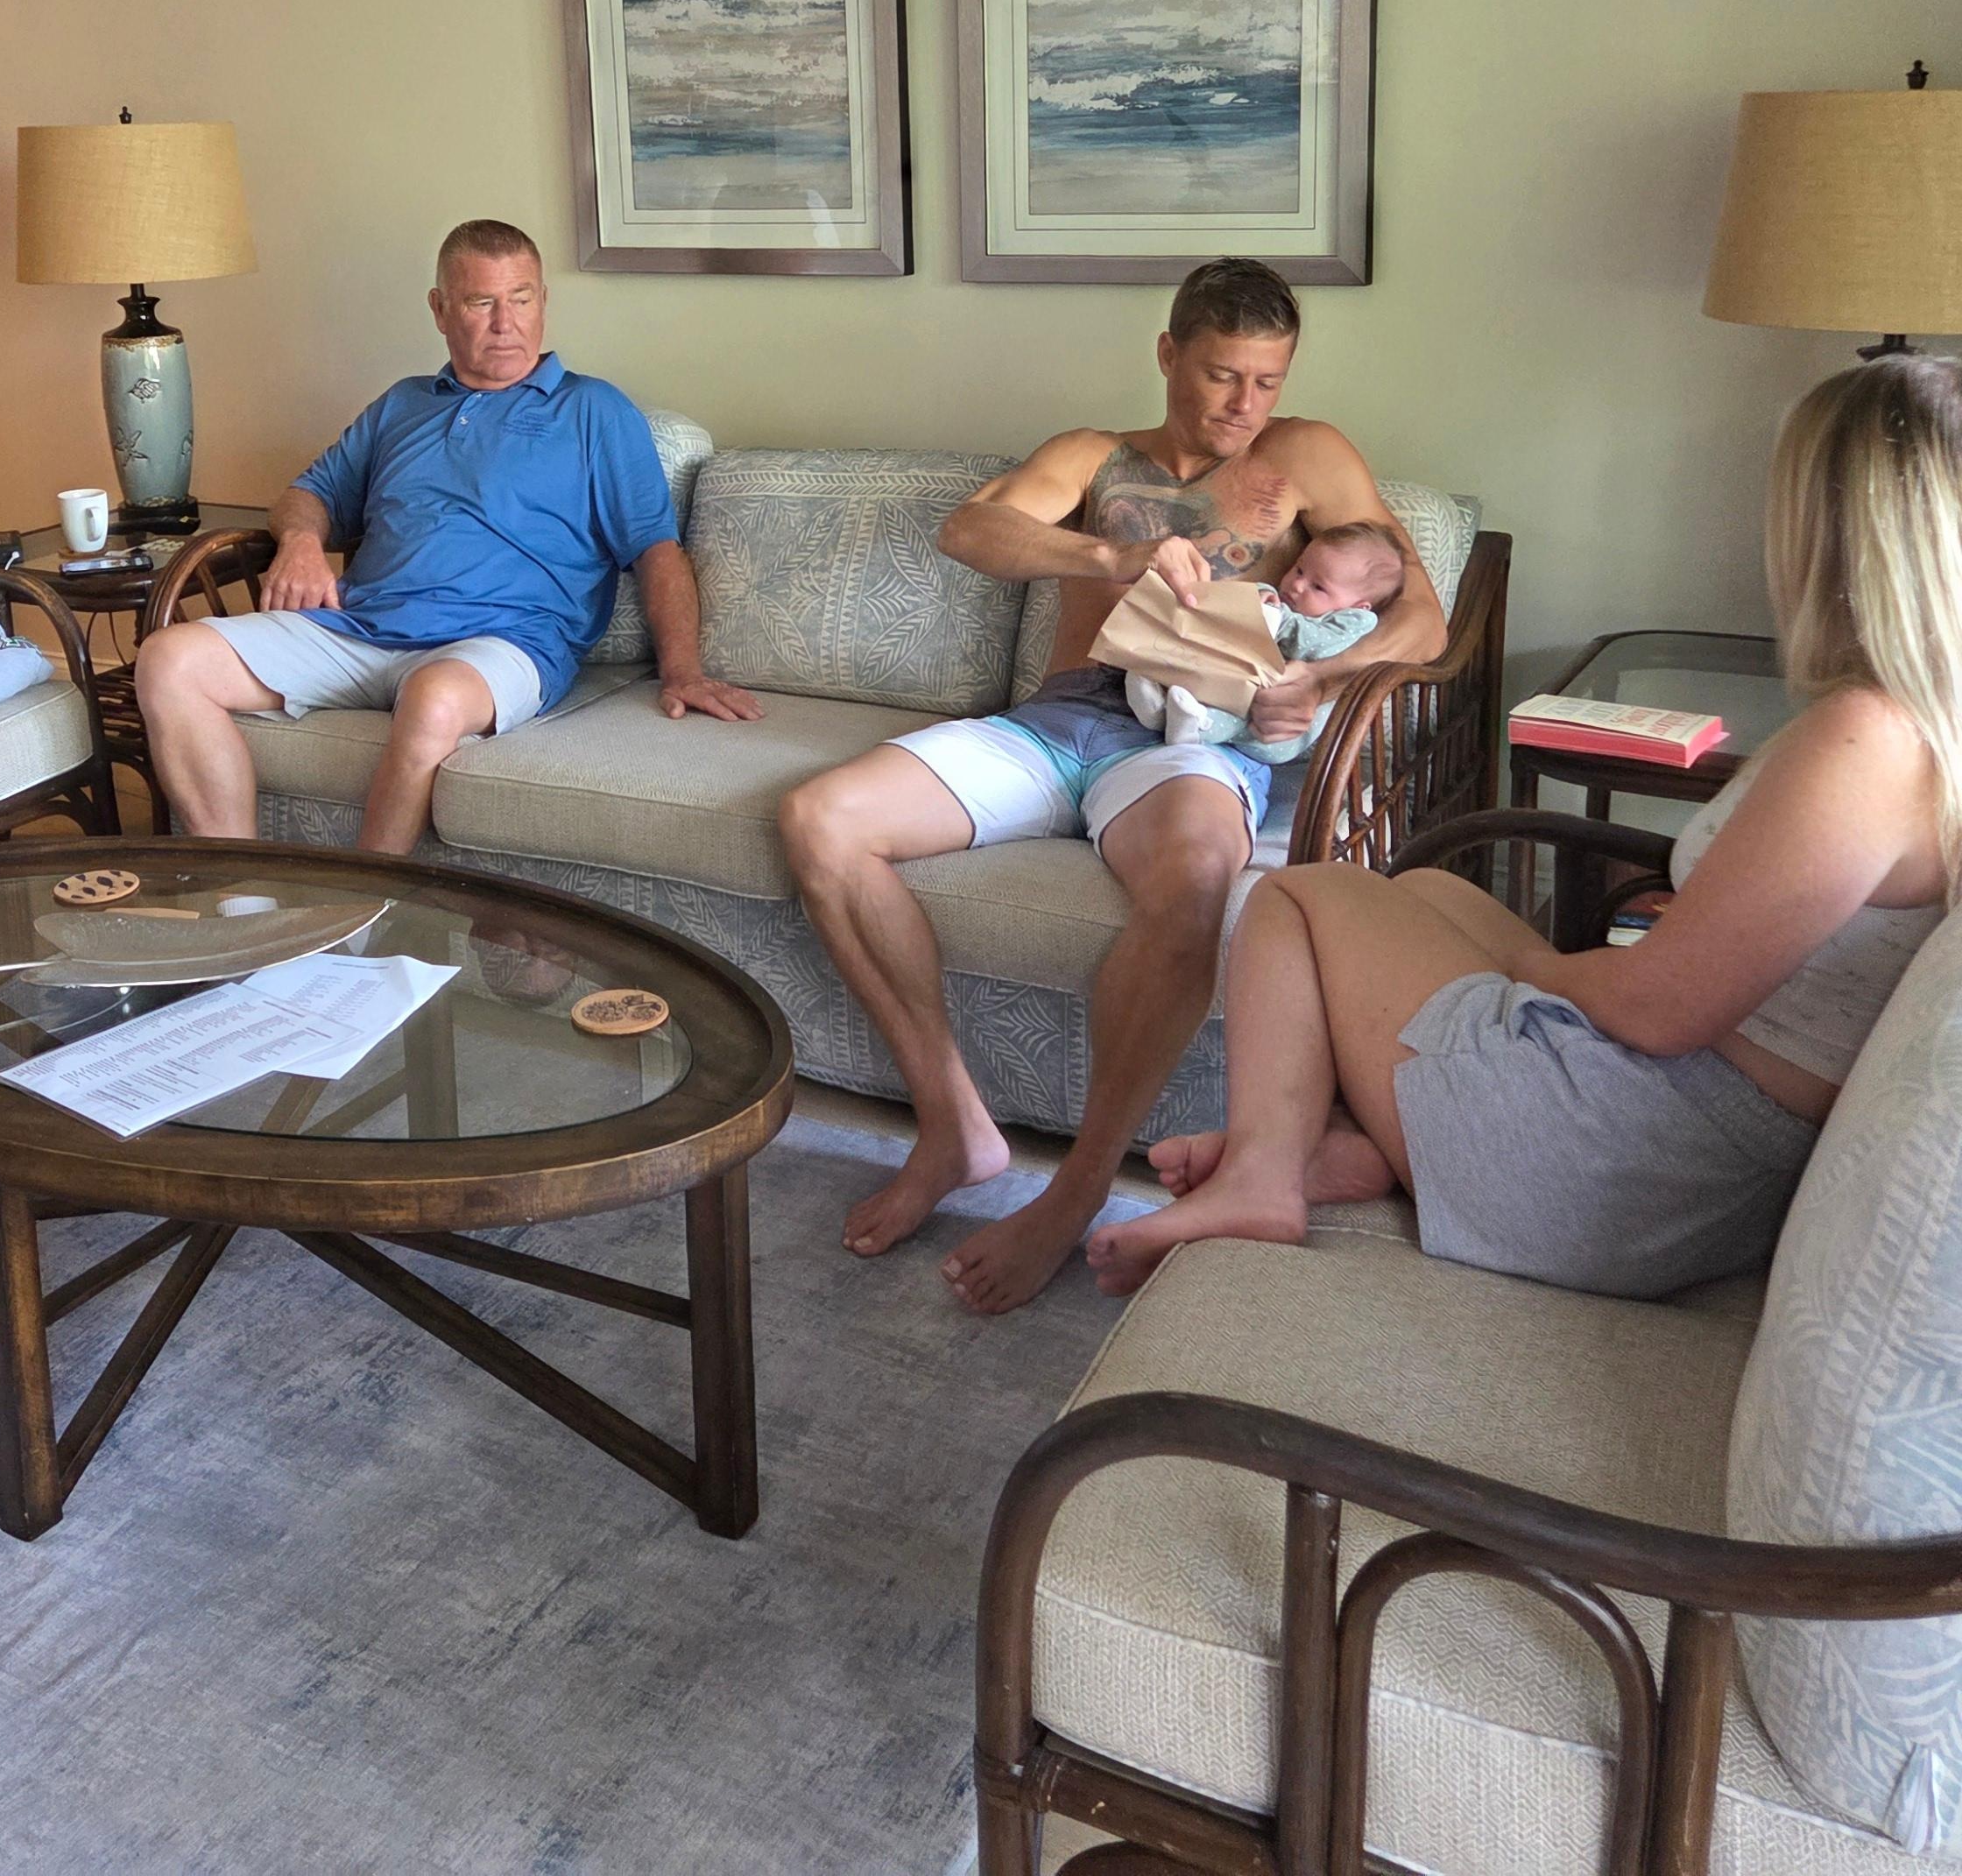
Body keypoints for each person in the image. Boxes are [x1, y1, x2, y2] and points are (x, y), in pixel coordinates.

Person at [1090, 354, 1959, 1301]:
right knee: (1426, 891)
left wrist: (1528, 972)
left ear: (1837, 534)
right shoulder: (1920, 727)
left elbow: (1659, 1010)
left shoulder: (1863, 738)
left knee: (1298, 895)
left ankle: (1262, 1174)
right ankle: (1342, 1143)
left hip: (1613, 1164)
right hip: (1688, 1155)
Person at [778, 257, 1447, 1313]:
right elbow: (972, 529)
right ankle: (954, 1125)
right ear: (1169, 353)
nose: (1244, 405)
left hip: (1190, 742)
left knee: (1192, 879)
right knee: (821, 818)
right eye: (1223, 375)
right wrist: (1111, 557)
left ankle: (1077, 1192)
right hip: (1060, 718)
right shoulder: (1095, 454)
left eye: (1266, 380)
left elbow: (1424, 615)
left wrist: (1319, 681)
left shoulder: (1308, 456)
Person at [137, 218, 759, 853]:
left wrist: (682, 671)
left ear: (544, 301)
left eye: (521, 299)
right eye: (480, 302)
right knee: (169, 660)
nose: (505, 322)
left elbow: (656, 550)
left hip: (500, 644)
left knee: (433, 699)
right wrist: (300, 543)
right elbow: (308, 494)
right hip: (360, 629)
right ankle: (242, 908)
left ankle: (362, 926)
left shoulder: (594, 412)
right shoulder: (403, 405)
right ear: (439, 310)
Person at [1123, 520, 1406, 765]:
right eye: (1299, 570)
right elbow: (1254, 600)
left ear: (1359, 606)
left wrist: (1278, 620)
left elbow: (1315, 645)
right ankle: (1156, 710)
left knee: (1242, 716)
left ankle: (1199, 727)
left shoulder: (1354, 623)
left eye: (1318, 587)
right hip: (1238, 680)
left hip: (1275, 730)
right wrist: (1258, 598)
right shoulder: (1285, 600)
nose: (1297, 585)